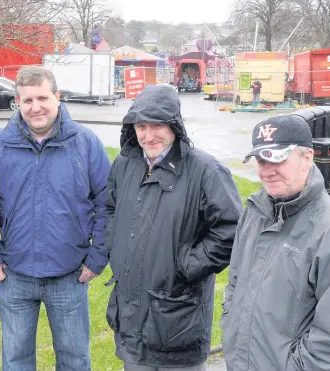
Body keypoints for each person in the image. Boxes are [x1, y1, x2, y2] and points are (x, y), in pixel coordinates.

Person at [0, 65, 111, 371]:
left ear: (58, 97)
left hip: (69, 274)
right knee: (15, 360)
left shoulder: (86, 144)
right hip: (14, 274)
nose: (35, 107)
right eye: (27, 101)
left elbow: (107, 203)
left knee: (75, 360)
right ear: (17, 102)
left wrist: (97, 257)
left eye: (42, 98)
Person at [104, 85, 243, 371]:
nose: (148, 135)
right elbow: (109, 209)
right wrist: (115, 247)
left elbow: (231, 230)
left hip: (179, 317)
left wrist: (188, 265)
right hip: (131, 315)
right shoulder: (125, 164)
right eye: (141, 126)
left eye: (157, 125)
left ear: (174, 126)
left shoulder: (205, 170)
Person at [221, 115, 330, 371]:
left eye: (277, 158)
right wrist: (230, 323)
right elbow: (235, 281)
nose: (267, 170)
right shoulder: (254, 212)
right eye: (261, 159)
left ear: (307, 158)